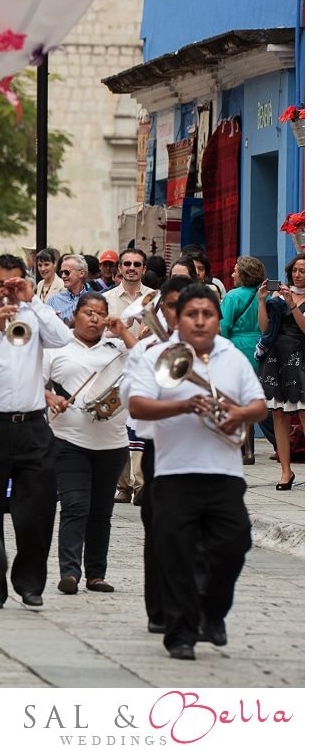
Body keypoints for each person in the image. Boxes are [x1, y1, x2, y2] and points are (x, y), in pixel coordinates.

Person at [128, 283, 267, 660]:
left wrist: (238, 414)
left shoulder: (232, 356)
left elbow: (259, 405)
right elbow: (138, 406)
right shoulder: (157, 355)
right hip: (174, 474)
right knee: (176, 556)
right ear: (177, 319)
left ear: (218, 320)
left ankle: (212, 611)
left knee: (234, 545)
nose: (201, 321)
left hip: (224, 474)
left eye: (208, 314)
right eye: (193, 314)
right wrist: (184, 406)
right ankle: (180, 634)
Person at [0, 254, 72, 609]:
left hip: (32, 424)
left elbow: (63, 337)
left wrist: (31, 300)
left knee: (37, 510)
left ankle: (30, 583)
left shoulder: (34, 313)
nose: (6, 290)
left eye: (14, 283)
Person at [43, 292, 135, 596]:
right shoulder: (57, 347)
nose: (94, 318)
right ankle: (70, 571)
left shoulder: (117, 347)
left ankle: (96, 574)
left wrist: (122, 330)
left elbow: (148, 364)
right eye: (88, 312)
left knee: (101, 511)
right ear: (75, 315)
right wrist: (51, 398)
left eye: (100, 313)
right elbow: (32, 381)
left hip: (112, 443)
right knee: (75, 506)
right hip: (69, 440)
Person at [119, 274, 194, 635]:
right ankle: (159, 608)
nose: (177, 314)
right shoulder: (147, 350)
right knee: (159, 529)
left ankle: (197, 601)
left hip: (201, 454)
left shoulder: (215, 349)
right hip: (159, 450)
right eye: (170, 306)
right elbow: (131, 402)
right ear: (162, 309)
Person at [101, 247, 154, 503]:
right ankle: (123, 485)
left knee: (141, 428)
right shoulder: (107, 299)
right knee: (118, 428)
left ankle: (142, 484)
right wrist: (129, 335)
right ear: (119, 268)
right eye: (127, 264)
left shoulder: (154, 299)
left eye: (136, 264)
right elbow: (101, 337)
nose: (131, 268)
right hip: (115, 369)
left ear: (144, 269)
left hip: (146, 371)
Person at [256, 253, 304, 491]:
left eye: (303, 270)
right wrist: (262, 301)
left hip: (300, 358)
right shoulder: (277, 295)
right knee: (278, 415)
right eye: (295, 270)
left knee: (305, 414)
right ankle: (286, 471)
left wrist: (293, 304)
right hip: (275, 359)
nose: (297, 274)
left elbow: (306, 329)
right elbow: (264, 328)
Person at [220, 255, 266, 465]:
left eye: (236, 271)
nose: (232, 274)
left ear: (244, 274)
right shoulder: (266, 296)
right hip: (260, 348)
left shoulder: (232, 297)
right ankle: (250, 449)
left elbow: (223, 326)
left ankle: (242, 447)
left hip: (237, 347)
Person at [46, 254, 90, 324]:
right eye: (61, 272)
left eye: (67, 272)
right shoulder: (53, 300)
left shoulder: (93, 301)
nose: (63, 276)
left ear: (81, 273)